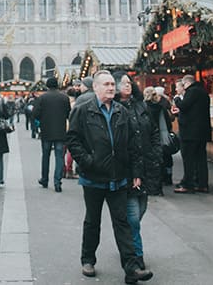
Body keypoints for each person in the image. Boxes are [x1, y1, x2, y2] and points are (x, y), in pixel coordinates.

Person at [66, 70, 153, 283]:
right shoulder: (83, 111)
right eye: (106, 84)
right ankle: (88, 259)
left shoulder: (121, 112)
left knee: (122, 222)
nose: (111, 87)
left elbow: (133, 144)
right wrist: (88, 161)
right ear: (95, 87)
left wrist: (136, 173)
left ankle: (132, 268)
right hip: (93, 179)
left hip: (119, 177)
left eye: (112, 84)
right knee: (92, 221)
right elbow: (73, 140)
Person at [117, 73, 160, 271]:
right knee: (133, 217)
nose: (127, 85)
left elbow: (154, 132)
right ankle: (136, 257)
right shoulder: (115, 108)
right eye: (123, 82)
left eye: (129, 82)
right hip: (127, 171)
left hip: (146, 167)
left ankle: (127, 242)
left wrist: (156, 153)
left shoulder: (141, 105)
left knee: (140, 210)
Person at [173, 74, 212, 194]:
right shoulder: (203, 92)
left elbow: (184, 106)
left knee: (188, 158)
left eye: (183, 85)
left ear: (187, 83)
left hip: (190, 132)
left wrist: (177, 99)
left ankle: (188, 184)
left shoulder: (192, 91)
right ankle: (202, 183)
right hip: (202, 132)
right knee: (200, 159)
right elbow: (192, 110)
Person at [34, 76, 72, 192]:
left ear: (47, 85)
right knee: (59, 156)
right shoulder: (64, 98)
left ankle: (44, 179)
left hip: (46, 131)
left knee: (46, 156)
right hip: (60, 131)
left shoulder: (42, 98)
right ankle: (57, 182)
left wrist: (42, 120)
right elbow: (68, 114)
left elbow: (35, 113)